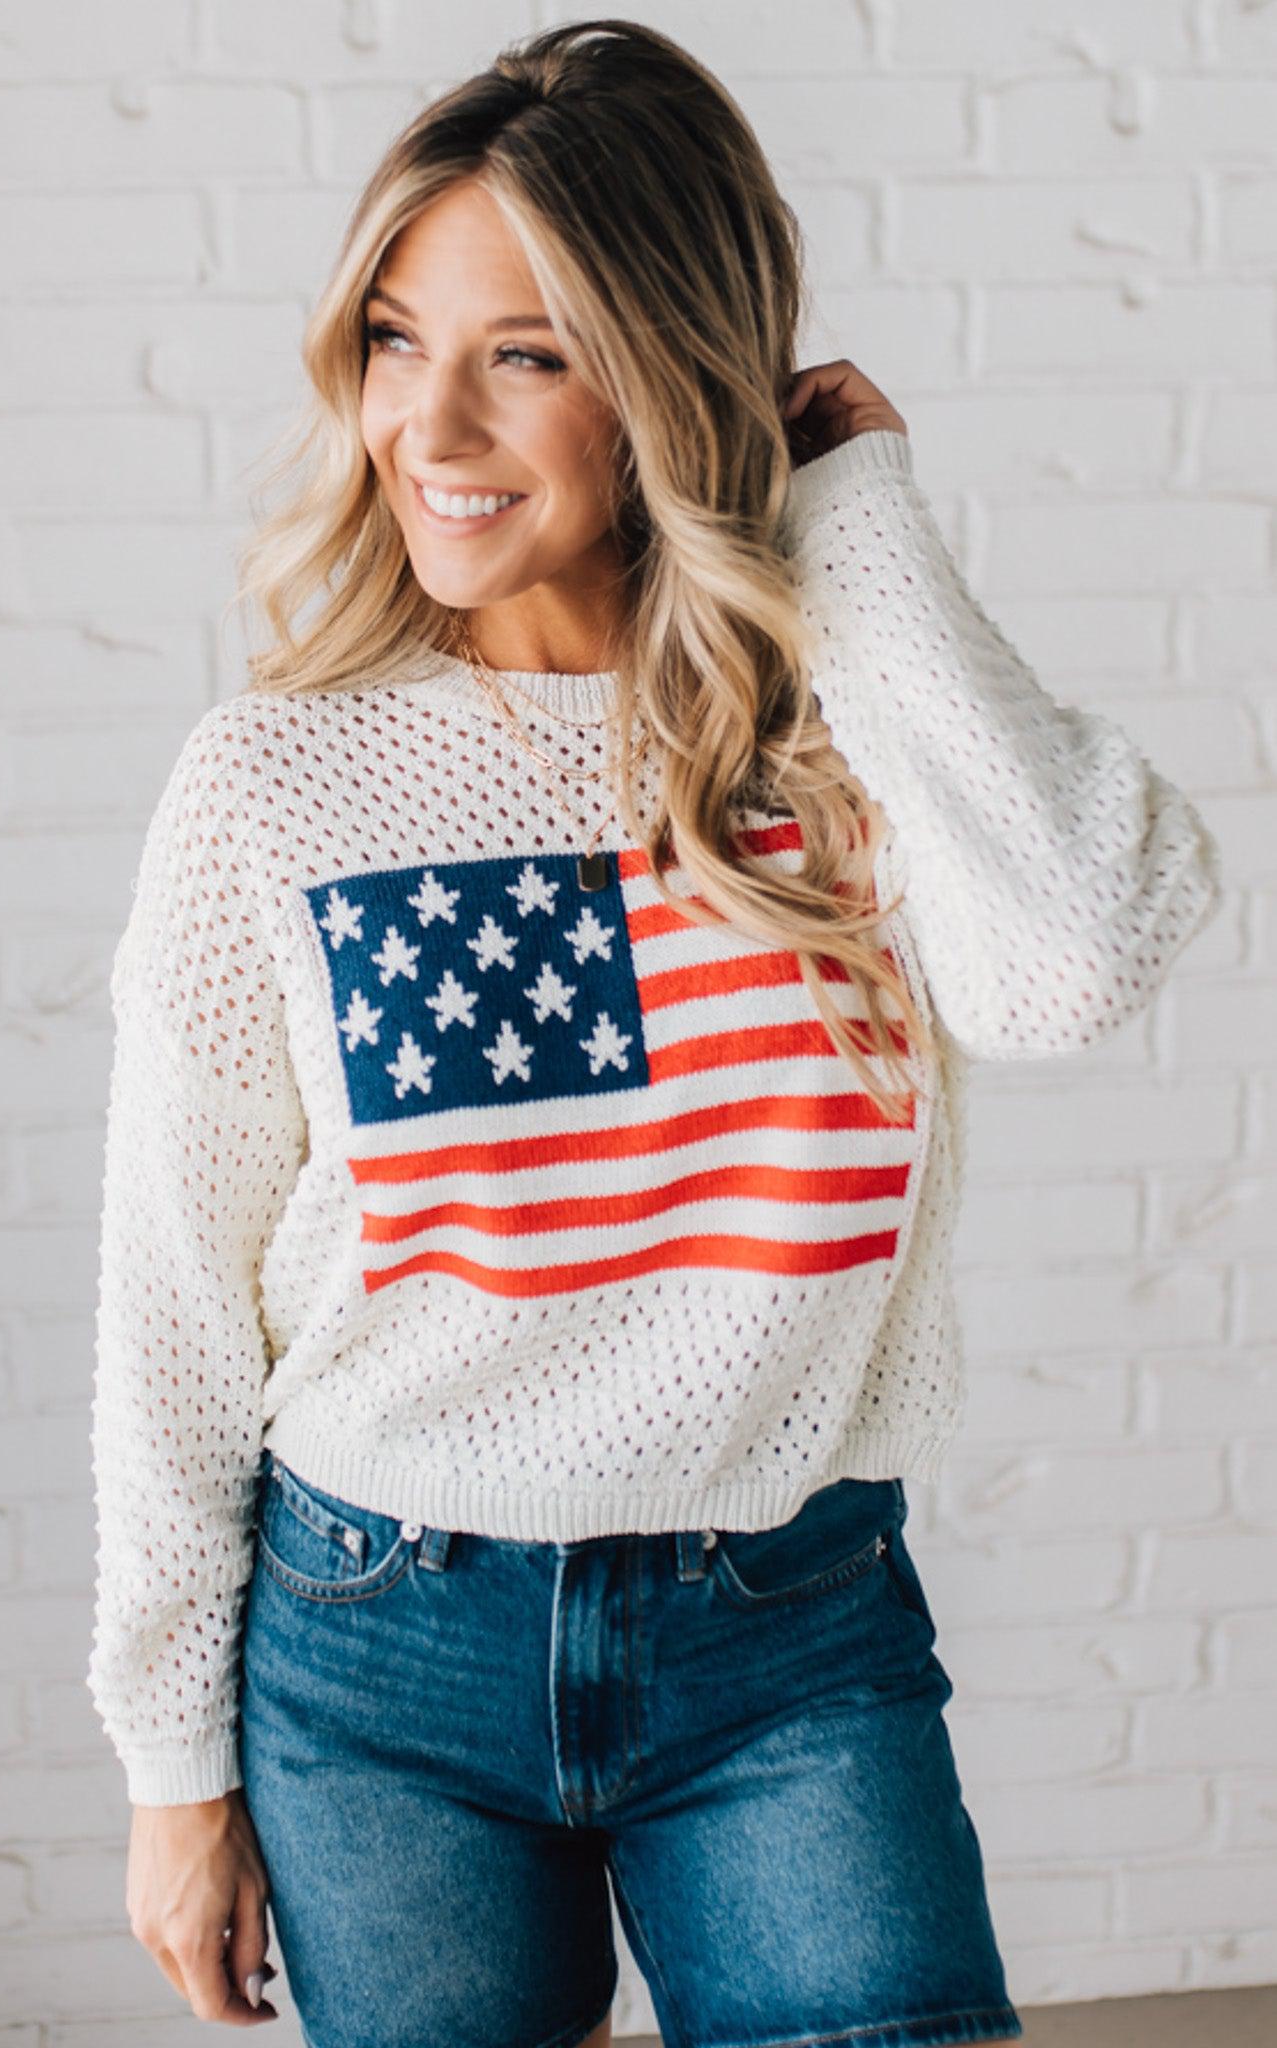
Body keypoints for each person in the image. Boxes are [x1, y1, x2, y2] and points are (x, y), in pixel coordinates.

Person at [87, 19, 1222, 2048]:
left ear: (667, 372)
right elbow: (170, 1302)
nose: (429, 420)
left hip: (782, 1637)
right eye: (392, 336)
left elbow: (1066, 960)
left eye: (525, 351)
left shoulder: (842, 747)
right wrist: (172, 1765)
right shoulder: (277, 783)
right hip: (380, 1644)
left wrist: (853, 509)